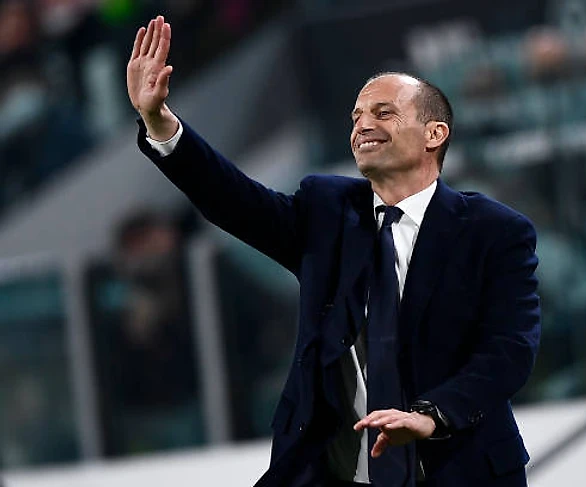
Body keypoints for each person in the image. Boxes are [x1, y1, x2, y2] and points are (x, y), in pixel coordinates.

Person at [127, 15, 540, 487]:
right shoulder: (326, 212)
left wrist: (432, 415)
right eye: (356, 116)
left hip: (459, 471)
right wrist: (160, 123)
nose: (363, 125)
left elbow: (510, 350)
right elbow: (234, 200)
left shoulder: (493, 231)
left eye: (383, 113)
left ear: (434, 134)